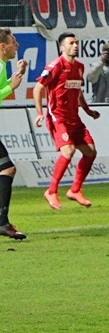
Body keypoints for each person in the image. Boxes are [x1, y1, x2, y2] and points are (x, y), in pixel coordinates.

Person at [33, 32, 101, 209]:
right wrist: (39, 112)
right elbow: (38, 87)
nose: (75, 45)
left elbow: (78, 91)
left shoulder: (79, 67)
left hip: (74, 117)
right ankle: (51, 190)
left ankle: (75, 190)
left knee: (90, 151)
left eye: (76, 42)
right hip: (58, 116)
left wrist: (88, 111)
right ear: (62, 47)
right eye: (71, 43)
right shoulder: (55, 65)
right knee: (68, 150)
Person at [0, 28, 28, 239]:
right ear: (3, 47)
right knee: (7, 169)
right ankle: (2, 222)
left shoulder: (2, 66)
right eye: (13, 41)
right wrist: (12, 88)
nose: (16, 45)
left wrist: (14, 79)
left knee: (6, 169)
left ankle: (2, 222)